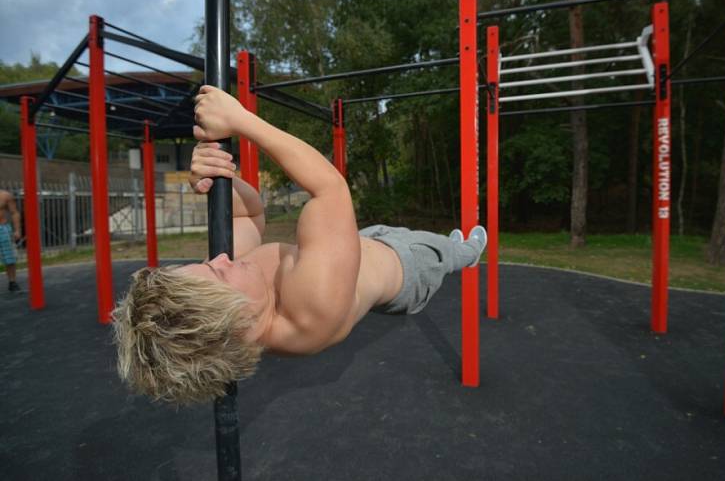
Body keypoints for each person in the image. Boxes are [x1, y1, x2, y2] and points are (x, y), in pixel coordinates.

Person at [112, 85, 487, 405]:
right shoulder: (310, 308)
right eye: (217, 273)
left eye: (206, 265)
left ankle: (451, 247)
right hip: (409, 268)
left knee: (390, 231)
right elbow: (330, 189)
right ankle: (467, 252)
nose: (221, 258)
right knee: (448, 251)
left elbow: (248, 217)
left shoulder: (233, 299)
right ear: (238, 326)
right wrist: (241, 121)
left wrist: (215, 177)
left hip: (358, 245)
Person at [0, 189, 22, 293]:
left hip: (2, 228)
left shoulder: (5, 195)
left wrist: (17, 230)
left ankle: (12, 282)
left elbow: (14, 212)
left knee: (9, 257)